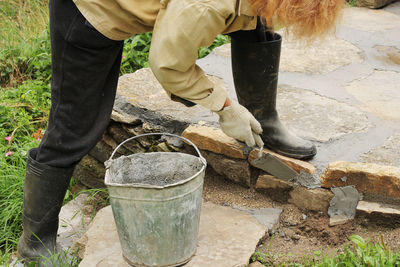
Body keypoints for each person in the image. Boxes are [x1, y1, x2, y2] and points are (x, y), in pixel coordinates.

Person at [17, 0, 344, 264]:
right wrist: (225, 107)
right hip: (89, 12)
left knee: (257, 21)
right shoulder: (205, 5)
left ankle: (264, 124)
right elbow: (168, 64)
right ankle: (35, 245)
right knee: (75, 129)